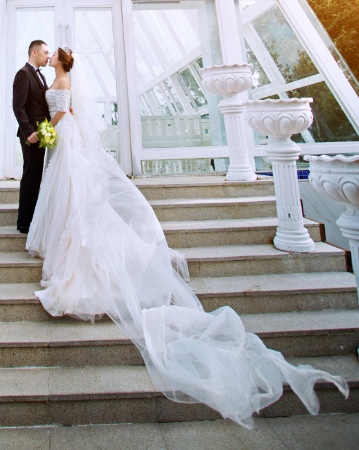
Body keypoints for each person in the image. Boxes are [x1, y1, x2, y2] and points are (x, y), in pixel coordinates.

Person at [26, 45, 348, 430]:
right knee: (66, 190)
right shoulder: (57, 78)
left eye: (53, 54)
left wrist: (47, 129)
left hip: (64, 133)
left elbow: (65, 112)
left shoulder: (62, 81)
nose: (49, 56)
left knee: (70, 190)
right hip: (64, 136)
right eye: (46, 53)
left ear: (61, 61)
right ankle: (65, 235)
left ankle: (72, 247)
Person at [12, 39, 51, 234]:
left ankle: (31, 218)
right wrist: (28, 132)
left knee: (36, 176)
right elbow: (18, 106)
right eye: (45, 52)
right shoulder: (23, 74)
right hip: (31, 135)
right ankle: (24, 222)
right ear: (34, 52)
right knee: (30, 176)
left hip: (40, 134)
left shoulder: (40, 75)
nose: (48, 56)